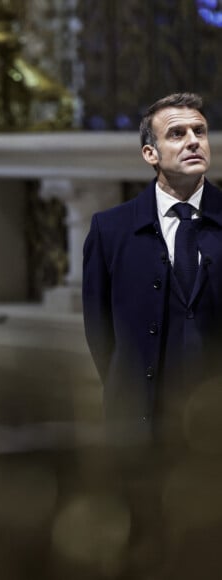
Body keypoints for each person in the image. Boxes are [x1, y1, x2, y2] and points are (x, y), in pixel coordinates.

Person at [82, 92, 222, 578]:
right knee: (144, 543)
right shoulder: (111, 230)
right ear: (150, 154)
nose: (192, 142)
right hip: (140, 418)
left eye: (199, 132)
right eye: (176, 134)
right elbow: (99, 331)